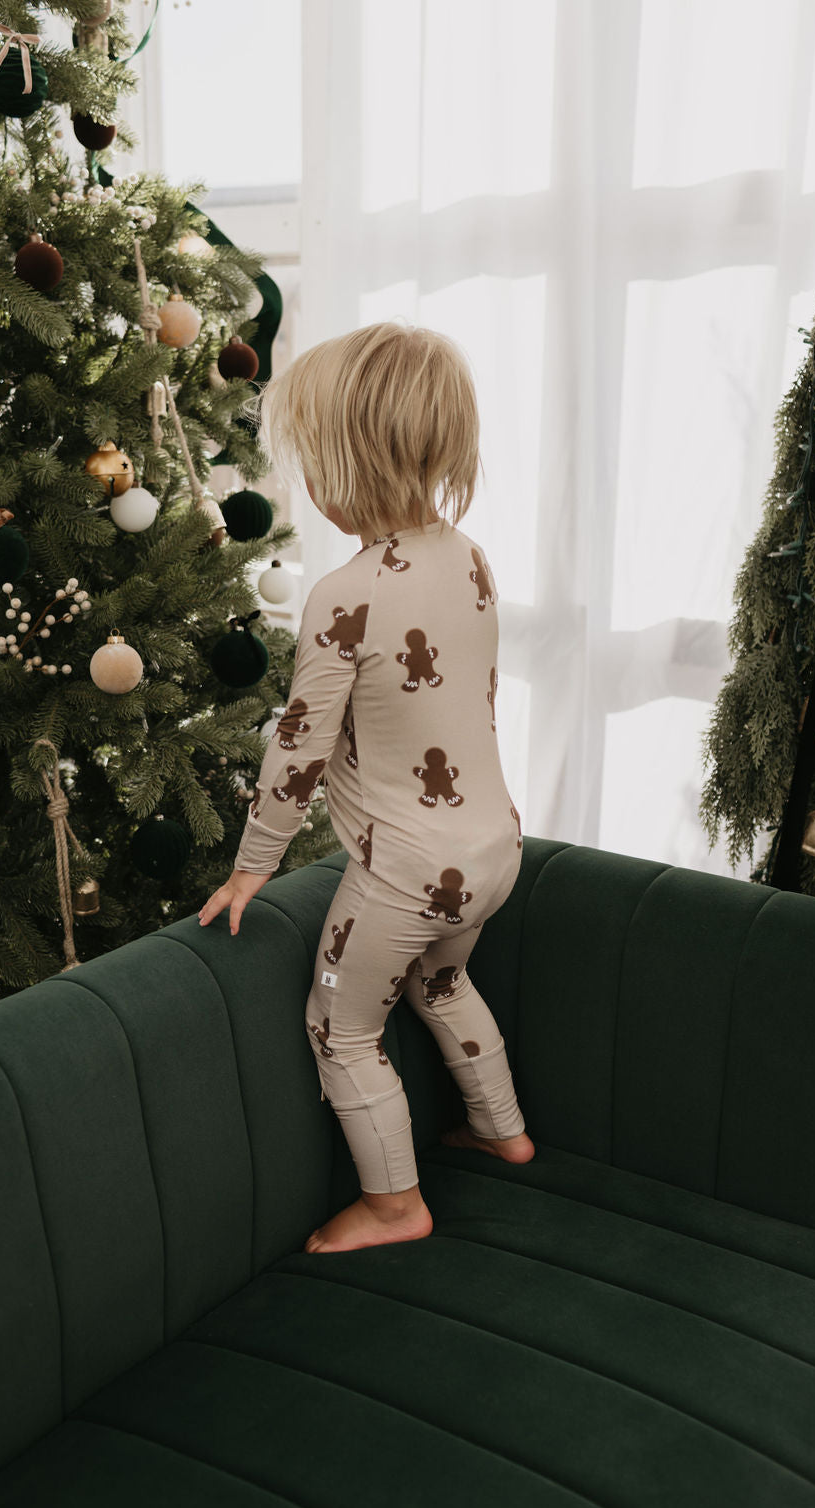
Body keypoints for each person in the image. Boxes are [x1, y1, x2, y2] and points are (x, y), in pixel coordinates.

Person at [198, 320, 533, 1255]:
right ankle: (502, 1128)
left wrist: (250, 867)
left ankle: (396, 1204)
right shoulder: (466, 554)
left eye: (312, 463)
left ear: (348, 466)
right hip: (496, 845)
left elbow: (298, 748)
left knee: (340, 1027)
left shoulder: (344, 594)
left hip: (406, 870)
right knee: (444, 977)